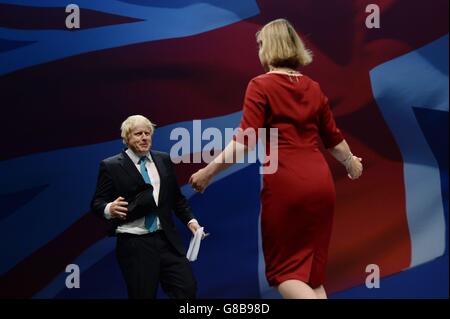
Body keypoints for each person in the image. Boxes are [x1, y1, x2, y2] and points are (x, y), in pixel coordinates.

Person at [189, 19, 363, 299]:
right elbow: (334, 140)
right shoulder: (314, 88)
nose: (258, 51)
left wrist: (209, 172)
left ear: (269, 47)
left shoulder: (261, 85)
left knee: (284, 274)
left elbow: (245, 140)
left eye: (260, 45)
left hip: (287, 184)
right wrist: (352, 163)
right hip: (321, 184)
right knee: (311, 278)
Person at [91, 115, 201, 299]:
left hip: (166, 240)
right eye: (138, 134)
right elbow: (97, 203)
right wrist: (109, 209)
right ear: (126, 138)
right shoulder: (111, 166)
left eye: (147, 133)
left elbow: (176, 198)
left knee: (187, 289)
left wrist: (191, 221)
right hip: (135, 244)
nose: (144, 137)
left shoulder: (163, 159)